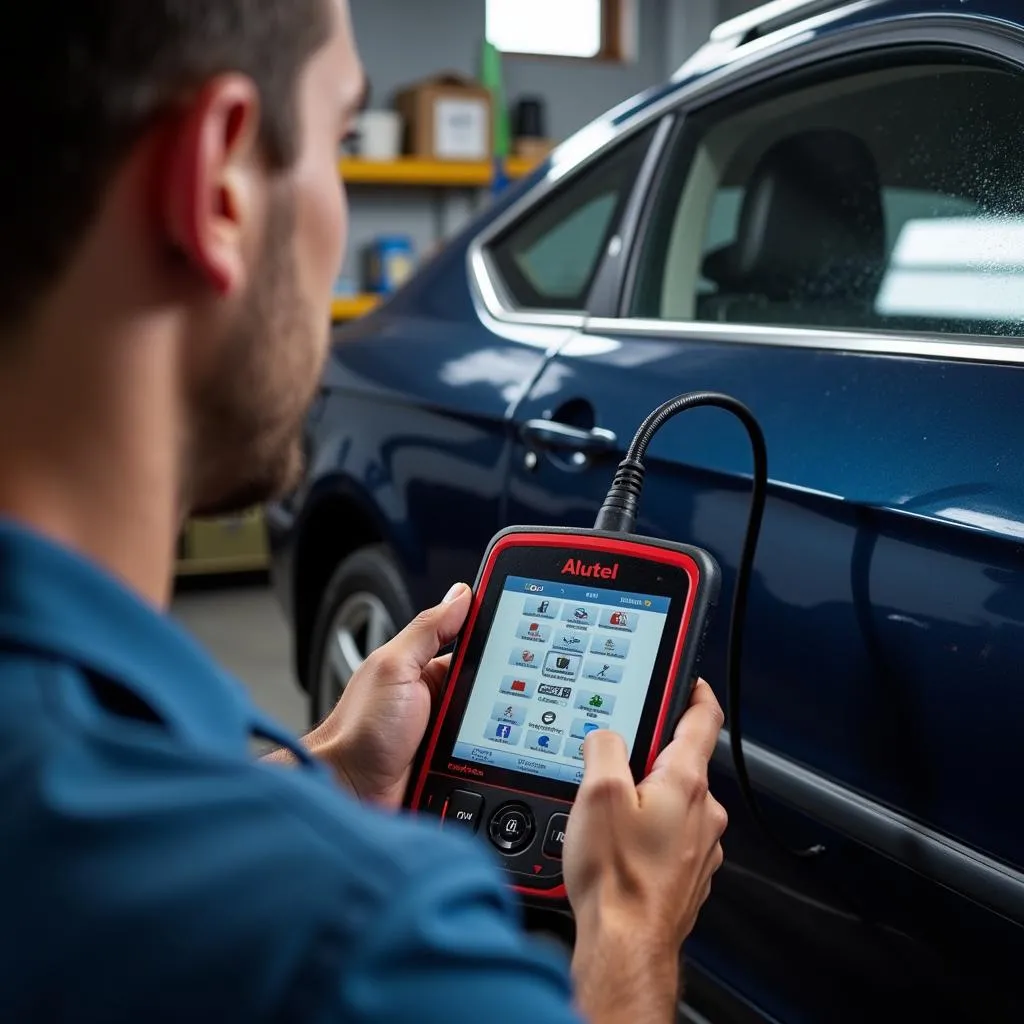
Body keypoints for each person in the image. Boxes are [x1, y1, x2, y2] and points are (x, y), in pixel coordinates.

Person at [0, 3, 728, 1022]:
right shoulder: (370, 940)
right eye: (340, 141)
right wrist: (630, 931)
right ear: (215, 187)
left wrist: (327, 776)